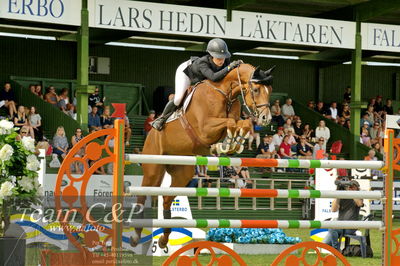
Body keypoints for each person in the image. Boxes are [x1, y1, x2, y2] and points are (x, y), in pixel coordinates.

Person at [152, 38, 242, 130]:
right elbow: (213, 77)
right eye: (218, 57)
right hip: (186, 73)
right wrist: (229, 67)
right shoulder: (202, 63)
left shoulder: (225, 60)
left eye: (223, 57)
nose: (221, 60)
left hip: (202, 77)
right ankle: (161, 119)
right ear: (211, 55)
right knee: (178, 99)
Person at [323, 180, 363, 251]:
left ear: (357, 188)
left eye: (353, 187)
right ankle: (336, 248)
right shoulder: (343, 196)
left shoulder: (358, 196)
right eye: (349, 187)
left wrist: (352, 193)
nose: (351, 189)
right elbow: (333, 209)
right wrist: (338, 194)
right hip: (340, 225)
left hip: (351, 226)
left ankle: (336, 249)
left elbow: (359, 203)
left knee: (332, 228)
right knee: (325, 244)